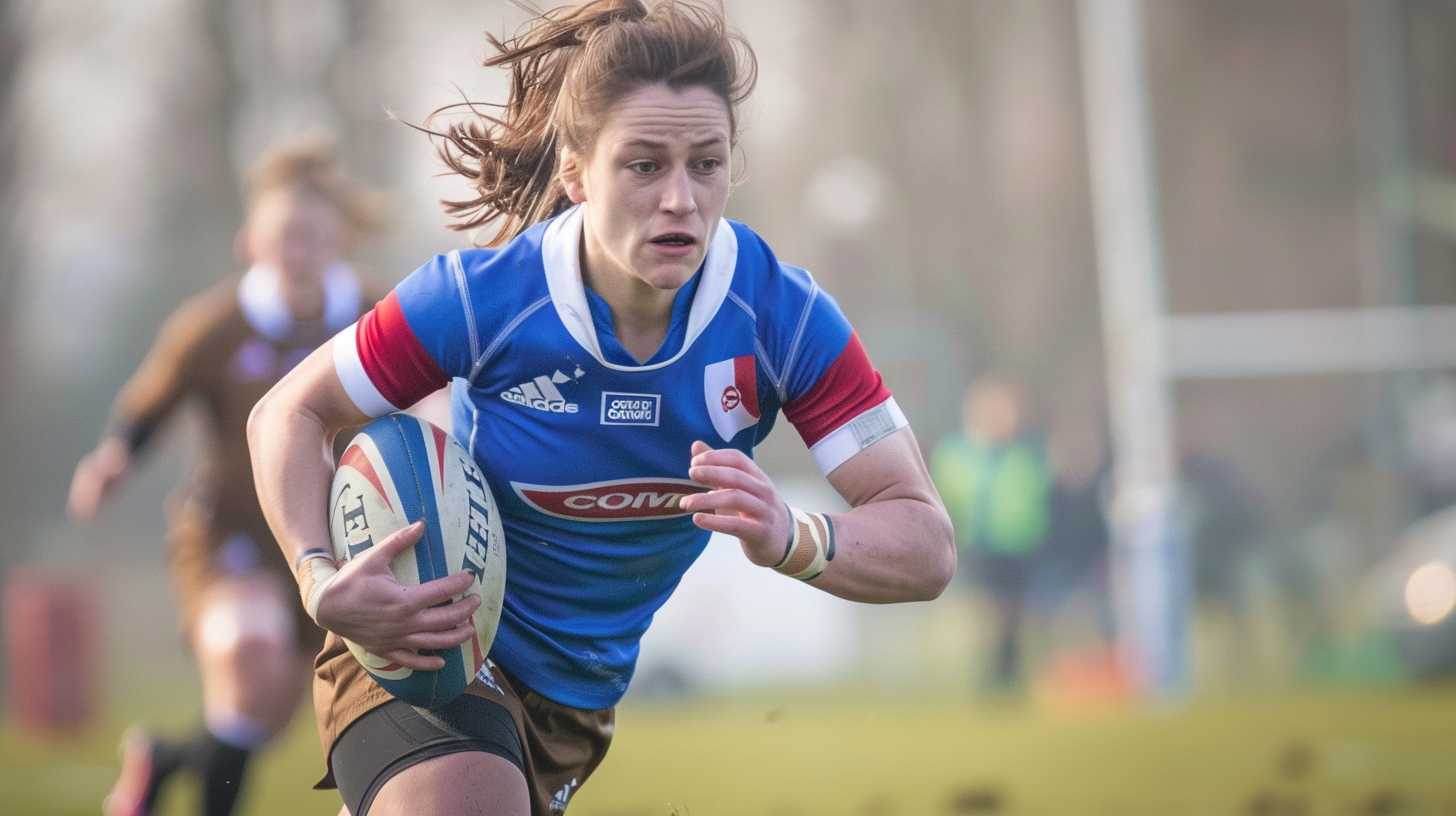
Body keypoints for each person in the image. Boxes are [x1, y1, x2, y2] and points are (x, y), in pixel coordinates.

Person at [245, 2, 956, 814]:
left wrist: (794, 536)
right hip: (426, 651)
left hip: (574, 707)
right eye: (644, 165)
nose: (682, 198)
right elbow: (287, 414)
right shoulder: (482, 301)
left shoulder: (782, 320)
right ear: (576, 172)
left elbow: (926, 542)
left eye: (706, 163)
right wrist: (317, 577)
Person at [68, 138, 384, 816]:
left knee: (266, 716)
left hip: (326, 537)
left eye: (312, 235)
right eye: (285, 236)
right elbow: (150, 401)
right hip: (226, 534)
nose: (298, 250)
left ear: (339, 242)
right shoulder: (214, 326)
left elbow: (426, 391)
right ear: (252, 243)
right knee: (250, 653)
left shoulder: (372, 315)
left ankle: (164, 759)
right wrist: (113, 459)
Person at [931, 376, 1051, 691]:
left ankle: (1010, 675)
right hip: (977, 545)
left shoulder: (1026, 453)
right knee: (990, 612)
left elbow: (1037, 498)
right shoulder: (955, 453)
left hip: (1019, 544)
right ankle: (992, 676)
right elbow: (944, 497)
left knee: (1014, 614)